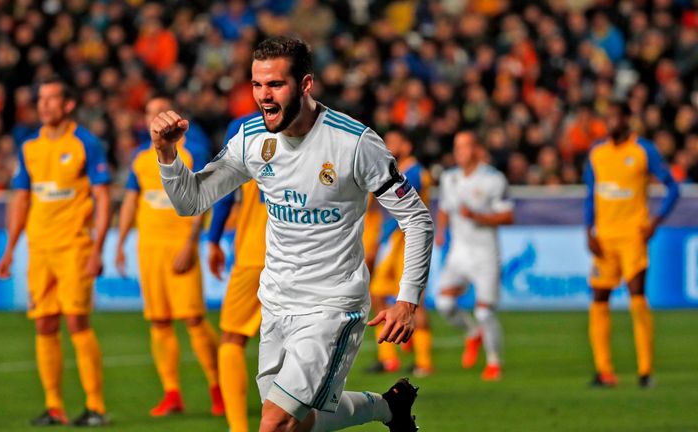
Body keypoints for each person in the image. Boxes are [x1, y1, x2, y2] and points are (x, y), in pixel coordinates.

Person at [152, 37, 433, 432]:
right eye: (256, 85)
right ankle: (389, 407)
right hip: (277, 300)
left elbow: (417, 219)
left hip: (332, 304)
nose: (263, 96)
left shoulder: (354, 142)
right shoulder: (252, 138)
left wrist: (407, 300)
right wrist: (167, 155)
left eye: (275, 85)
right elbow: (191, 200)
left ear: (305, 84)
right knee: (298, 423)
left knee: (275, 422)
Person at [0, 77, 111, 426]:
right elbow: (21, 197)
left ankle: (95, 406)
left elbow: (102, 197)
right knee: (44, 324)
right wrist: (10, 247)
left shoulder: (85, 143)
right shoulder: (29, 146)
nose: (44, 105)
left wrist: (98, 248)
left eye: (51, 99)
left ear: (68, 105)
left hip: (74, 246)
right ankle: (54, 406)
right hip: (40, 249)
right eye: (41, 99)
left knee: (76, 321)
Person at [115, 95, 224, 417]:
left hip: (179, 245)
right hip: (149, 247)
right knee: (159, 321)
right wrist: (120, 241)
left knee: (193, 319)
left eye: (158, 112)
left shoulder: (194, 151)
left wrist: (191, 244)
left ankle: (218, 389)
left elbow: (204, 198)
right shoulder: (140, 156)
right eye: (148, 113)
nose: (152, 118)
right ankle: (171, 393)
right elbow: (132, 201)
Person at [583, 101, 680, 388]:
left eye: (615, 117)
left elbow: (672, 188)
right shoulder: (597, 153)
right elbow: (591, 194)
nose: (610, 122)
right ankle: (604, 371)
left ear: (627, 120)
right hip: (604, 238)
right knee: (599, 301)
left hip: (632, 237)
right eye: (607, 118)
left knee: (637, 299)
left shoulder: (643, 150)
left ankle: (645, 371)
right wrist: (588, 230)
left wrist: (656, 221)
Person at [434, 131, 514, 382]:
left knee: (485, 312)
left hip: (485, 254)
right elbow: (446, 207)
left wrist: (478, 217)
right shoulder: (449, 178)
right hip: (459, 253)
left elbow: (508, 216)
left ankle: (493, 363)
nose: (459, 152)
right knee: (444, 303)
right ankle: (472, 334)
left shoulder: (493, 179)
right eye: (457, 147)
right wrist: (441, 230)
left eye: (465, 147)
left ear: (476, 149)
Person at [207, 112, 267, 432]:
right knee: (297, 348)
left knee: (232, 337)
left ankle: (239, 428)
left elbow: (225, 189)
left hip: (256, 254)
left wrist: (214, 238)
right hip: (304, 257)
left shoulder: (243, 127)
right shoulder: (321, 123)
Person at [367, 127, 434, 377]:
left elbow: (405, 214)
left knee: (414, 302)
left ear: (406, 145)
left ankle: (424, 362)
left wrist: (377, 241)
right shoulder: (396, 171)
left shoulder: (414, 172)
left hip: (409, 244)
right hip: (396, 244)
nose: (388, 145)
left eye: (393, 141)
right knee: (376, 295)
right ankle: (389, 359)